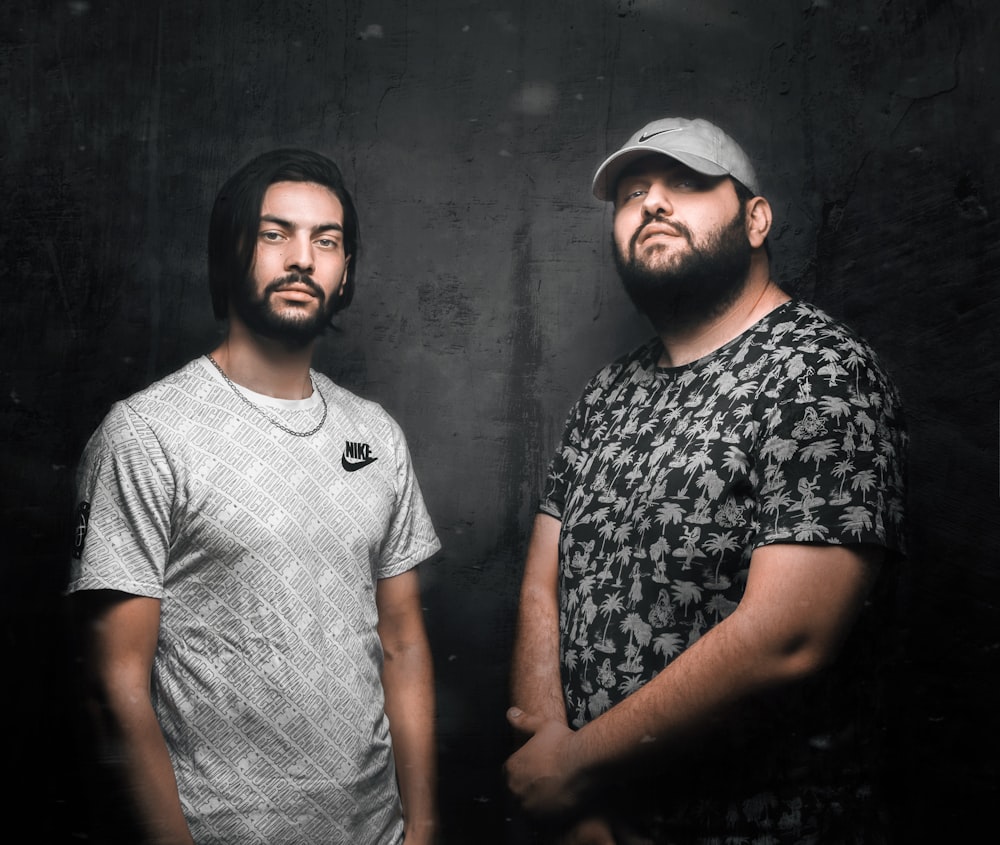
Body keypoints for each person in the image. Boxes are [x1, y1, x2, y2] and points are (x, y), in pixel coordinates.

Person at [505, 117, 907, 844]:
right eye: (632, 193)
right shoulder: (606, 393)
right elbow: (543, 584)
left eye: (686, 183)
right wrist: (561, 784)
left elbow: (790, 636)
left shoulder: (819, 369)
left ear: (757, 219)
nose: (653, 202)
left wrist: (576, 766)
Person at [67, 149, 440, 845]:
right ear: (232, 249)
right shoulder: (147, 433)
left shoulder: (376, 435)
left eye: (325, 241)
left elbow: (404, 640)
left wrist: (421, 826)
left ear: (345, 270)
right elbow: (116, 687)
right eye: (276, 234)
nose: (303, 257)